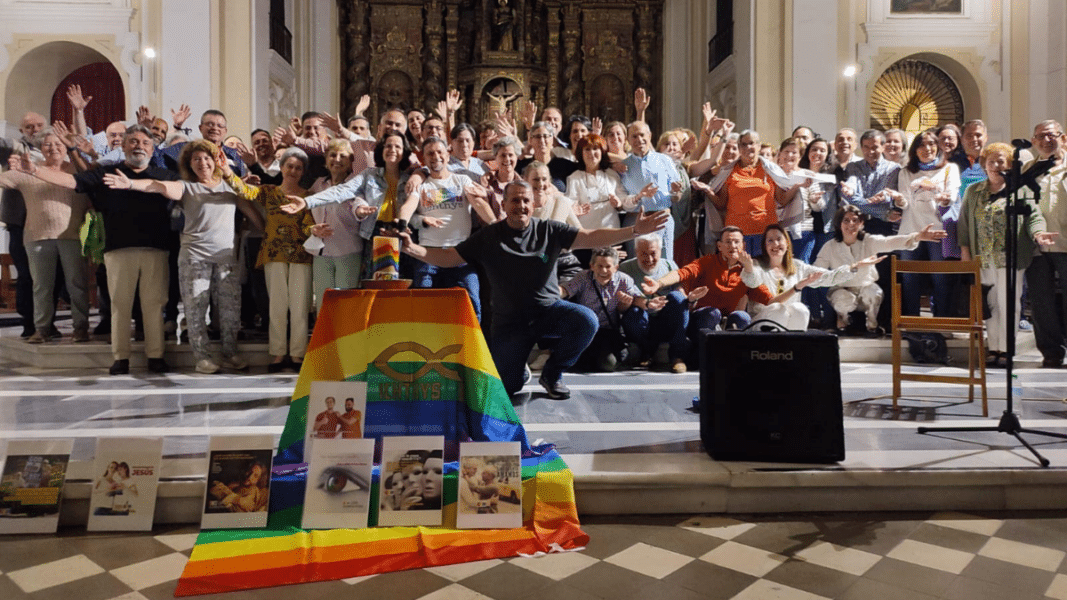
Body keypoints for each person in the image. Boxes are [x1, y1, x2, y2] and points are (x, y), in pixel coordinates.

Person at [395, 180, 669, 398]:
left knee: (585, 320)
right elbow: (449, 258)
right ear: (504, 204)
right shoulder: (489, 236)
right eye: (515, 200)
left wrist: (634, 231)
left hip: (548, 313)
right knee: (508, 388)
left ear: (534, 204)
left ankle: (553, 373)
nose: (521, 206)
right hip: (510, 324)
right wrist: (413, 249)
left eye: (526, 200)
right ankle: (518, 369)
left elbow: (589, 237)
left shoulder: (548, 230)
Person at [16, 125, 177, 375]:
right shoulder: (106, 172)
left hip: (156, 248)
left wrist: (131, 185)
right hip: (118, 249)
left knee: (154, 305)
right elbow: (71, 180)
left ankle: (155, 356)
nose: (139, 146)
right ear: (122, 146)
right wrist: (36, 171)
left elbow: (175, 191)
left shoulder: (163, 175)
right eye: (132, 141)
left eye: (145, 142)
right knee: (120, 306)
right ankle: (120, 357)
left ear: (152, 148)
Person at [104, 140, 261, 373]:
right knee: (196, 307)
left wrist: (267, 233)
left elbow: (251, 210)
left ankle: (230, 353)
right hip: (194, 257)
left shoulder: (230, 186)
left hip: (226, 257)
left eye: (207, 158)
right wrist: (130, 184)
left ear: (217, 161)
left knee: (230, 309)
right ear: (189, 164)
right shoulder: (186, 186)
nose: (203, 163)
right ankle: (202, 357)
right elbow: (157, 185)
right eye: (196, 159)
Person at [958, 142, 1058, 368]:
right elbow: (963, 223)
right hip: (983, 258)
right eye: (991, 161)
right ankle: (993, 347)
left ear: (1011, 166)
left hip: (1011, 258)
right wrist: (965, 251)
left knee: (1009, 304)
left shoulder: (1021, 190)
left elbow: (1034, 216)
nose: (995, 165)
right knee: (990, 305)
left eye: (1001, 161)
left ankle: (1007, 349)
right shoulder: (973, 191)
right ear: (984, 165)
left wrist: (1039, 234)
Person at [225, 148, 315, 372]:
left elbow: (309, 224)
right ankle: (277, 354)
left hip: (301, 255)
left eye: (298, 168)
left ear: (303, 171)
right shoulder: (268, 191)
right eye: (289, 166)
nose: (293, 171)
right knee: (276, 306)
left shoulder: (308, 196)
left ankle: (297, 355)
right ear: (281, 168)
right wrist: (226, 171)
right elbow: (243, 191)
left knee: (299, 307)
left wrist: (316, 230)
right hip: (274, 253)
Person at [0, 128, 91, 344]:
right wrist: (9, 166)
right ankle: (42, 328)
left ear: (66, 148)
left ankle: (80, 327)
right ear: (41, 149)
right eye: (48, 144)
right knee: (41, 286)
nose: (53, 148)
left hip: (72, 236)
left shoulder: (76, 171)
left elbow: (92, 176)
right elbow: (3, 179)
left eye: (58, 144)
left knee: (76, 284)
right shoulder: (29, 169)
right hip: (36, 236)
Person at [397, 137, 496, 319]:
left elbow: (479, 203)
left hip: (461, 255)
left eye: (439, 152)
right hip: (428, 255)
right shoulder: (421, 185)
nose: (436, 156)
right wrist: (401, 225)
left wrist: (496, 225)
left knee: (472, 308)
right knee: (423, 310)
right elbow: (409, 206)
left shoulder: (461, 180)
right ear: (424, 160)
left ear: (447, 155)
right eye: (430, 153)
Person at [814, 205, 946, 336]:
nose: (851, 224)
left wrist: (916, 237)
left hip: (866, 290)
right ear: (839, 224)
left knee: (873, 293)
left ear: (861, 223)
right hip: (842, 292)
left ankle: (872, 326)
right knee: (842, 298)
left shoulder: (869, 241)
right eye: (846, 220)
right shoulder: (829, 246)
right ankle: (843, 320)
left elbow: (889, 242)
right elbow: (818, 271)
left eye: (855, 220)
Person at [640, 226, 775, 344]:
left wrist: (795, 289)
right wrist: (658, 283)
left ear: (743, 246)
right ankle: (702, 354)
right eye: (728, 242)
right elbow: (682, 273)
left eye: (736, 242)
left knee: (742, 317)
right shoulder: (707, 262)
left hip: (726, 324)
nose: (733, 246)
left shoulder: (747, 272)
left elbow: (770, 300)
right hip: (701, 321)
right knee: (712, 313)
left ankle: (733, 356)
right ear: (719, 246)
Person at [742, 224, 878, 331]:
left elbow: (829, 277)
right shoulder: (756, 264)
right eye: (770, 241)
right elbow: (752, 281)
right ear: (765, 246)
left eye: (779, 239)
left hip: (788, 321)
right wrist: (748, 268)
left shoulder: (798, 267)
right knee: (779, 310)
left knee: (800, 309)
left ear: (787, 243)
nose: (775, 244)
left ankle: (793, 353)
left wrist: (855, 266)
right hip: (761, 321)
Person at [561, 246, 659, 372]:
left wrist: (649, 303)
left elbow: (637, 298)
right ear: (592, 266)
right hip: (585, 330)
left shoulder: (624, 280)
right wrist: (551, 293)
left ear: (616, 267)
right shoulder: (583, 277)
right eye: (599, 266)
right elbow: (565, 290)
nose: (603, 270)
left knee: (608, 365)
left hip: (607, 330)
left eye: (608, 267)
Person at [897, 129, 961, 318]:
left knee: (940, 278)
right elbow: (905, 202)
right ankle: (911, 322)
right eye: (922, 145)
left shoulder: (950, 168)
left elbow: (951, 197)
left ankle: (941, 321)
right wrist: (898, 200)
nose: (927, 148)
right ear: (915, 150)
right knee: (909, 278)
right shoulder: (906, 172)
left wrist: (934, 188)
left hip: (938, 231)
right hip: (911, 231)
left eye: (932, 144)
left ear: (938, 147)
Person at [1024, 120, 1067, 368]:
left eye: (1051, 135)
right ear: (1034, 141)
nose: (1046, 140)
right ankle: (1051, 351)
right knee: (1041, 301)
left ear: (1062, 138)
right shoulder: (1030, 169)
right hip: (1037, 246)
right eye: (1040, 136)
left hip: (1065, 242)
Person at [0, 111, 47, 338]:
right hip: (20, 222)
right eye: (29, 126)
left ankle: (46, 322)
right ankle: (29, 322)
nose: (34, 130)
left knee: (49, 275)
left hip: (48, 222)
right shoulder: (14, 148)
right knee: (27, 275)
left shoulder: (52, 148)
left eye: (39, 125)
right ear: (21, 130)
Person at [307, 139, 366, 311]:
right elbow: (306, 208)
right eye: (333, 155)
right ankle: (326, 338)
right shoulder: (318, 184)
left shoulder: (354, 184)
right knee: (323, 303)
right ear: (326, 161)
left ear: (350, 163)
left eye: (343, 156)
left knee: (345, 305)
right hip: (321, 252)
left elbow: (358, 204)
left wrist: (361, 211)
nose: (337, 159)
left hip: (348, 251)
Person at [619, 233, 689, 372]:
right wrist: (644, 303)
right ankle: (646, 352)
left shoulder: (669, 265)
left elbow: (679, 291)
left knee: (678, 299)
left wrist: (688, 298)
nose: (650, 259)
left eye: (653, 253)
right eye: (644, 254)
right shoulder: (625, 268)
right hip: (643, 319)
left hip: (665, 319)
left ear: (659, 251)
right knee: (633, 314)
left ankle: (677, 356)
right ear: (636, 252)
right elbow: (620, 303)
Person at [618, 121, 683, 259]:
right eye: (634, 136)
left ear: (649, 135)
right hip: (636, 221)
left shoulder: (664, 160)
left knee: (665, 264)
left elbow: (677, 197)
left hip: (662, 219)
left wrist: (676, 192)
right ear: (628, 140)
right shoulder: (623, 166)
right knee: (636, 264)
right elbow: (621, 198)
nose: (639, 140)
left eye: (642, 135)